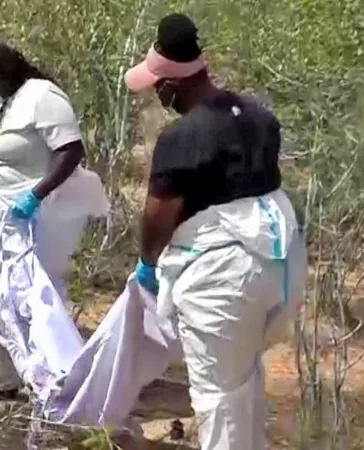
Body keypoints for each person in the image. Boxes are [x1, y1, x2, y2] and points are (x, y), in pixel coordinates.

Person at [124, 13, 307, 450]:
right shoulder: (260, 118)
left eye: (157, 85)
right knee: (242, 382)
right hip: (281, 264)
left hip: (225, 279)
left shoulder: (182, 138)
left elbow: (158, 217)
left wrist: (147, 263)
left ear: (172, 85)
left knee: (219, 399)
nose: (156, 93)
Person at [0, 42, 109, 400]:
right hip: (0, 215)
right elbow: (11, 152)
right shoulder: (10, 104)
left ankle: (58, 380)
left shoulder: (42, 96)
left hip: (34, 216)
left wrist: (35, 196)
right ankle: (2, 378)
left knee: (34, 298)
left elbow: (70, 151)